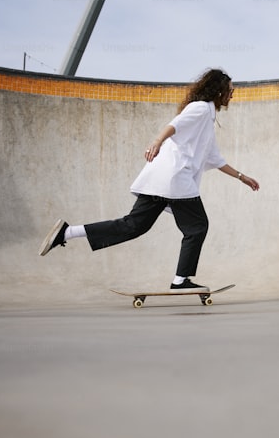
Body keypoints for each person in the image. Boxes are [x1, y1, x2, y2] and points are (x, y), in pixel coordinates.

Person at [39, 68, 259, 292]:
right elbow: (175, 125)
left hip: (162, 179)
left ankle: (66, 233)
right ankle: (180, 281)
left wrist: (242, 177)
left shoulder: (207, 117)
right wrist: (157, 141)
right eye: (230, 90)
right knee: (197, 226)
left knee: (133, 226)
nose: (232, 95)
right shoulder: (201, 108)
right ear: (218, 90)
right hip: (175, 178)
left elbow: (214, 158)